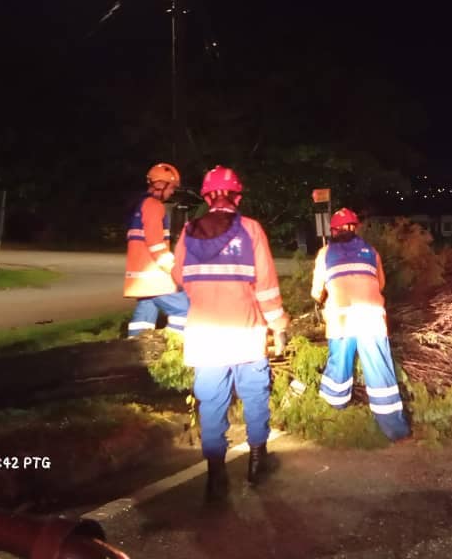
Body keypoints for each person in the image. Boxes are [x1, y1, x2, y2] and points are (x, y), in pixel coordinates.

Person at [172, 165, 289, 500]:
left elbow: (179, 278)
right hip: (246, 333)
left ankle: (215, 475)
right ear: (236, 195)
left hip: (205, 337)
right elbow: (266, 286)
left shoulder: (189, 231)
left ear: (208, 197)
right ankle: (256, 462)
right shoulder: (250, 230)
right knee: (254, 396)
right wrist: (278, 325)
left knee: (211, 404)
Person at [311, 208, 411, 442]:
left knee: (339, 364)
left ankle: (334, 410)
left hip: (341, 319)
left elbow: (317, 291)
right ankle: (394, 429)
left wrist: (322, 298)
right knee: (379, 370)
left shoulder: (325, 253)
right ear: (355, 228)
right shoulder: (371, 251)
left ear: (333, 230)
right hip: (371, 318)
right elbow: (381, 283)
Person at [123, 163, 190, 338]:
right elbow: (156, 245)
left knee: (144, 318)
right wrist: (174, 271)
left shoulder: (140, 205)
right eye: (172, 187)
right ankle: (174, 347)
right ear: (161, 185)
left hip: (140, 280)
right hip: (155, 278)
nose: (173, 192)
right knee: (185, 310)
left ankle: (132, 352)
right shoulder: (154, 206)